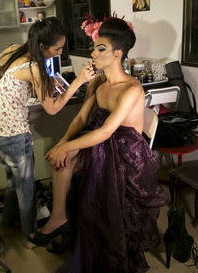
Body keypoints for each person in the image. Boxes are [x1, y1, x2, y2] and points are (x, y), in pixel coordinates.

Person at [31, 17, 168, 272]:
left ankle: (90, 232)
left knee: (79, 162)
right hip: (101, 143)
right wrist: (63, 143)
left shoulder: (132, 88)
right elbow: (82, 117)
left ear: (117, 53)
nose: (93, 53)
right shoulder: (98, 83)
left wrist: (68, 147)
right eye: (94, 47)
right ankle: (59, 216)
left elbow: (106, 131)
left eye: (100, 48)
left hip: (126, 156)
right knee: (63, 159)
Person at [0, 17, 95, 239]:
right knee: (25, 189)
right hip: (14, 135)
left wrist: (44, 83)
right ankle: (31, 235)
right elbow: (52, 109)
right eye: (57, 49)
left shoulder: (12, 50)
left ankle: (8, 221)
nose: (59, 53)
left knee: (12, 183)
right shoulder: (34, 68)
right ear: (42, 46)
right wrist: (78, 81)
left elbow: (14, 83)